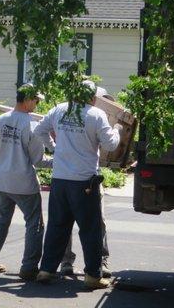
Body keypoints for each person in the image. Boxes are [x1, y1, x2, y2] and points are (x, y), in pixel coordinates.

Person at [34, 80, 122, 289]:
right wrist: (117, 129)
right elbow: (110, 143)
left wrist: (54, 148)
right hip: (84, 182)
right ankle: (92, 275)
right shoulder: (95, 114)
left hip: (60, 180)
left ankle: (46, 269)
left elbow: (39, 130)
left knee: (57, 226)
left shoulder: (59, 109)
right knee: (90, 229)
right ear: (92, 97)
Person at [0, 84, 53, 280]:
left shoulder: (2, 119)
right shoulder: (32, 126)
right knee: (34, 224)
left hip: (3, 178)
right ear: (28, 100)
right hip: (23, 181)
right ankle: (29, 267)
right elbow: (38, 160)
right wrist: (61, 160)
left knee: (2, 220)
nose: (37, 104)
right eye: (36, 101)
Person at [60, 86, 115, 278]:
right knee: (94, 222)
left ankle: (71, 261)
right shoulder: (93, 115)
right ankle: (93, 263)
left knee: (72, 221)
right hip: (86, 178)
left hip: (70, 176)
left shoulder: (70, 113)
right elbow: (110, 144)